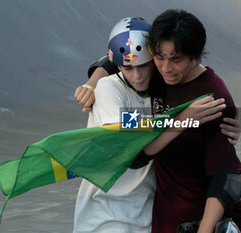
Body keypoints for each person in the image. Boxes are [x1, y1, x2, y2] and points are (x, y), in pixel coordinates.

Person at [73, 17, 230, 233]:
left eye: (144, 65)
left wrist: (217, 123)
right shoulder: (108, 90)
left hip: (147, 214)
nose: (138, 77)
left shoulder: (161, 84)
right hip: (105, 213)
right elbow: (130, 146)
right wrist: (94, 81)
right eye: (128, 69)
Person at [144, 9, 241, 233]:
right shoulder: (155, 75)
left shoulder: (213, 98)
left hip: (204, 219)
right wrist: (94, 78)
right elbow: (121, 57)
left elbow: (226, 178)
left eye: (176, 60)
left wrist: (205, 229)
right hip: (168, 213)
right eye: (159, 56)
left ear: (196, 55)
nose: (166, 68)